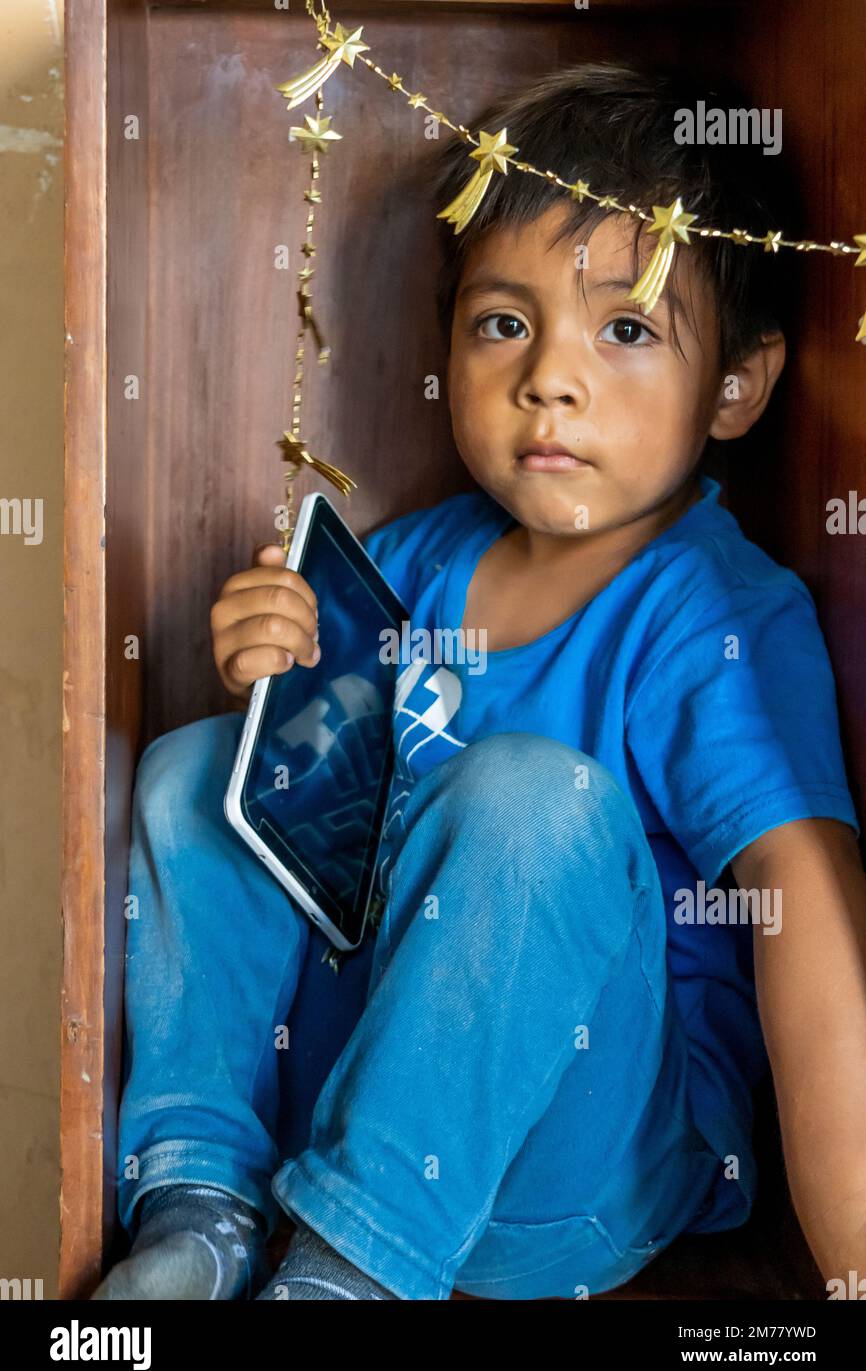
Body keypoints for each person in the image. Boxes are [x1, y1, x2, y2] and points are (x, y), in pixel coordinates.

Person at [92, 61, 866, 1301]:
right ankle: (206, 1200)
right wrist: (267, 669)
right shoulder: (401, 567)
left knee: (529, 797)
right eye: (503, 322)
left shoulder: (714, 613)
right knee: (200, 769)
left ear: (737, 384)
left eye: (623, 329)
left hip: (582, 1158)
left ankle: (347, 1272)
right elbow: (296, 822)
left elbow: (806, 900)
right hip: (355, 1111)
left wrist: (852, 1266)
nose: (546, 377)